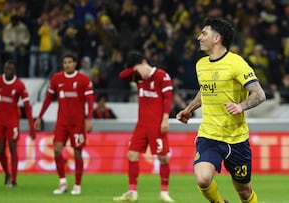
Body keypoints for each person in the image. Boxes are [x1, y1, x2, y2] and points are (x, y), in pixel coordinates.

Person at [176, 17, 266, 203]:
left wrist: (241, 106)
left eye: (204, 33)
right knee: (203, 179)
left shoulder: (236, 63)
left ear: (217, 38)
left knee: (244, 192)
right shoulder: (201, 65)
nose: (199, 37)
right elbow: (205, 90)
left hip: (236, 139)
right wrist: (189, 109)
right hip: (209, 135)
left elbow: (259, 94)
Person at [113, 51, 175, 202]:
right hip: (141, 125)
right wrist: (136, 69)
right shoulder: (137, 76)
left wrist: (165, 120)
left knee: (163, 158)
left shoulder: (162, 75)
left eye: (138, 67)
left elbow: (168, 98)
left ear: (145, 62)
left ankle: (164, 193)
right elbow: (121, 76)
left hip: (157, 124)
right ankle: (132, 192)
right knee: (131, 155)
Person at [34, 54, 94, 195]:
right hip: (62, 122)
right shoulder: (56, 78)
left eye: (69, 62)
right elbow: (48, 98)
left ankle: (77, 185)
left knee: (77, 153)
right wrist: (39, 116)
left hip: (77, 124)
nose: (67, 65)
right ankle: (62, 182)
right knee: (57, 150)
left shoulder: (84, 80)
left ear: (75, 64)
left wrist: (89, 119)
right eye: (65, 62)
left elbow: (90, 101)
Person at [0, 60, 36, 187]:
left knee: (12, 148)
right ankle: (7, 174)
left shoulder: (19, 85)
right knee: (0, 150)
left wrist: (32, 127)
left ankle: (14, 179)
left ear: (14, 70)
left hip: (12, 122)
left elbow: (27, 107)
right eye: (6, 68)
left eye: (10, 69)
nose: (8, 71)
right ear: (4, 69)